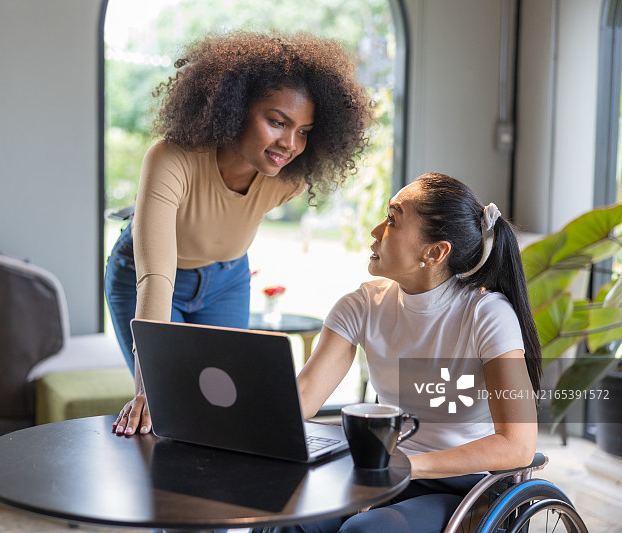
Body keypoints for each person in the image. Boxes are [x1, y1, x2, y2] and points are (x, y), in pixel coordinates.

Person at [106, 31, 373, 435]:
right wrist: (148, 390)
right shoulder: (171, 158)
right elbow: (156, 278)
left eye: (304, 131)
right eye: (277, 122)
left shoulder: (288, 180)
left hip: (227, 280)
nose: (290, 143)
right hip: (149, 279)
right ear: (232, 107)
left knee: (221, 409)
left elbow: (224, 218)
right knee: (168, 406)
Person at [267, 173, 542, 533]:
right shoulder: (364, 304)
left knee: (363, 532)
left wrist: (408, 466)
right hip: (389, 476)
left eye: (393, 220)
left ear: (435, 252)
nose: (375, 230)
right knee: (286, 517)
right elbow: (304, 395)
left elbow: (517, 445)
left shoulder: (486, 314)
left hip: (468, 487)